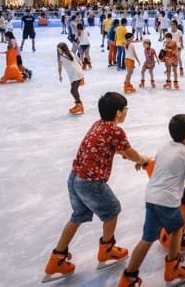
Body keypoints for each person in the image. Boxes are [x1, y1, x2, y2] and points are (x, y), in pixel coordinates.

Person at [42, 92, 150, 283]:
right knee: (112, 210)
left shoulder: (99, 125)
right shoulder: (115, 131)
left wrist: (121, 153)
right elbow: (129, 151)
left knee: (77, 216)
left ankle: (57, 258)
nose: (126, 113)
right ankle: (107, 249)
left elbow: (110, 147)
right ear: (118, 113)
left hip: (75, 178)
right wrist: (141, 159)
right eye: (125, 110)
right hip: (91, 182)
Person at [118, 114, 185, 287]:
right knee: (177, 230)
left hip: (151, 197)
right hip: (168, 201)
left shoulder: (164, 146)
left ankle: (128, 277)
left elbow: (157, 161)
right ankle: (173, 268)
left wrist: (144, 160)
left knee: (147, 238)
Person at [57, 42, 85, 115]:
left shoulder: (67, 55)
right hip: (74, 74)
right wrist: (60, 75)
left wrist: (78, 68)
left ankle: (79, 104)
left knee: (73, 90)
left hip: (76, 74)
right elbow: (59, 67)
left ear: (63, 49)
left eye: (59, 49)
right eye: (58, 50)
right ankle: (79, 104)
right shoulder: (66, 55)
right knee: (74, 90)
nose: (59, 51)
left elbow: (79, 62)